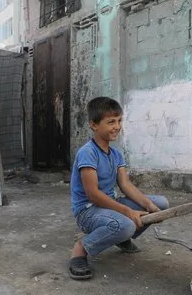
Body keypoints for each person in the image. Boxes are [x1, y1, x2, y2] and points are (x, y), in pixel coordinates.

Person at [68, 97, 169, 280]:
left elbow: (125, 184)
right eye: (110, 122)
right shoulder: (87, 153)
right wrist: (128, 211)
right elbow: (93, 195)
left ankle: (121, 237)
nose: (117, 126)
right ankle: (81, 248)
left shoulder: (116, 154)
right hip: (88, 211)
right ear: (94, 125)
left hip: (109, 205)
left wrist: (148, 205)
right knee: (125, 224)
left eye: (119, 120)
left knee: (161, 203)